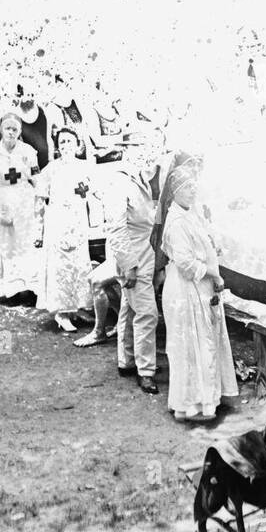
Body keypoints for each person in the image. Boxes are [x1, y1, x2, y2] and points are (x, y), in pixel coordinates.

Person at [161, 160, 239, 422]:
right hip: (185, 289)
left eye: (194, 186)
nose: (193, 192)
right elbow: (184, 262)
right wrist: (214, 273)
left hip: (199, 286)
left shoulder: (191, 213)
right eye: (187, 187)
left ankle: (210, 398)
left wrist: (211, 247)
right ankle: (191, 404)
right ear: (175, 191)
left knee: (205, 341)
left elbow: (202, 241)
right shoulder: (175, 221)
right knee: (190, 345)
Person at [109, 130, 164, 395]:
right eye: (137, 148)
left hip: (145, 252)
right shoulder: (119, 182)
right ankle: (146, 371)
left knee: (128, 308)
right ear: (126, 150)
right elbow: (117, 230)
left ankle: (127, 360)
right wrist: (128, 264)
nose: (144, 153)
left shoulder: (143, 178)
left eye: (146, 148)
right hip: (131, 254)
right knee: (147, 313)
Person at [36, 127, 102, 333]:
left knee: (80, 265)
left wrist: (95, 221)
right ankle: (62, 312)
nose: (65, 146)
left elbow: (95, 195)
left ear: (77, 144)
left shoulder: (86, 167)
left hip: (78, 221)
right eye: (62, 142)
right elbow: (39, 201)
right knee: (61, 267)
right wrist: (39, 231)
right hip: (58, 222)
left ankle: (80, 307)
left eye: (69, 142)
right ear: (57, 146)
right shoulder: (50, 170)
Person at [0, 111, 42, 302]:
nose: (11, 132)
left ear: (20, 131)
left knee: (25, 242)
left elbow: (36, 178)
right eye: (7, 128)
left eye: (15, 129)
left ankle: (30, 287)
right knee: (6, 244)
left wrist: (40, 200)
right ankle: (11, 288)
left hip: (24, 200)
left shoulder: (28, 151)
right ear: (1, 130)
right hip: (3, 200)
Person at [15, 81, 57, 171]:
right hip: (29, 166)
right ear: (20, 94)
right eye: (27, 94)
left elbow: (49, 139)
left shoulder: (43, 111)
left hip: (47, 163)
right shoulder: (16, 116)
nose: (30, 97)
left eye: (32, 95)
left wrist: (51, 161)